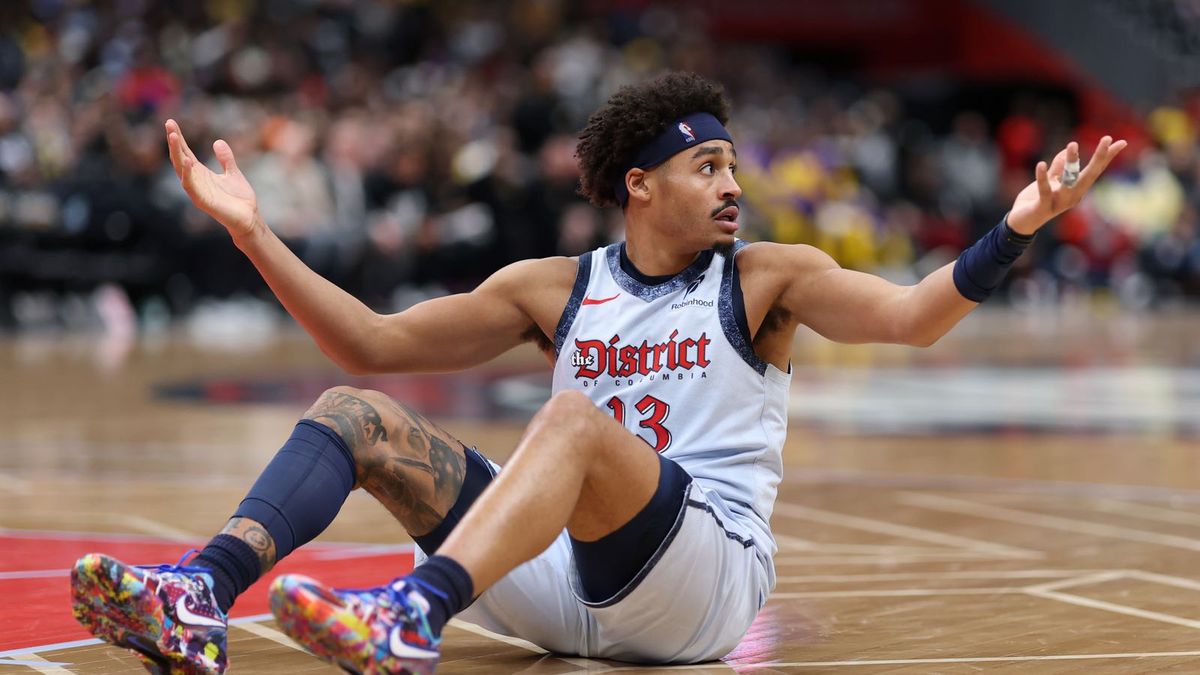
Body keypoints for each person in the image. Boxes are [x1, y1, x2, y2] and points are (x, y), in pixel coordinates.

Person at [68, 72, 1125, 675]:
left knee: (570, 422)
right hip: (572, 584)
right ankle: (196, 596)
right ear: (639, 185)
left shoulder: (766, 278)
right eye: (706, 166)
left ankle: (412, 617)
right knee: (357, 412)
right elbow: (370, 342)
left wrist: (1019, 226)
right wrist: (256, 237)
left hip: (705, 582)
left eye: (733, 166)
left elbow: (912, 317)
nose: (731, 185)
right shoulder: (553, 288)